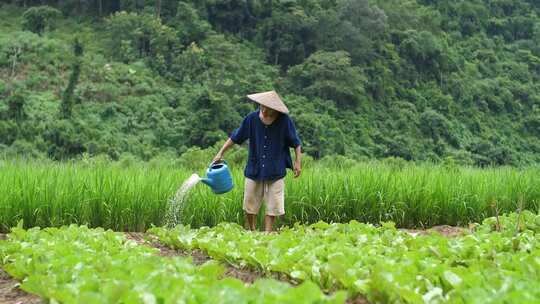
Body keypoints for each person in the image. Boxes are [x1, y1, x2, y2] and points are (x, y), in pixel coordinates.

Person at [212, 90, 302, 232]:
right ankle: (252, 230)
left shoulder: (284, 121)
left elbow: (296, 142)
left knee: (273, 205)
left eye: (268, 109)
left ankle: (267, 233)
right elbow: (235, 137)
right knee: (249, 203)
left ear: (275, 110)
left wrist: (298, 162)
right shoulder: (251, 119)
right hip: (255, 167)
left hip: (276, 168)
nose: (264, 111)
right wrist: (220, 153)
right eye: (262, 107)